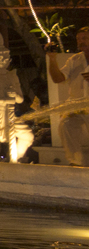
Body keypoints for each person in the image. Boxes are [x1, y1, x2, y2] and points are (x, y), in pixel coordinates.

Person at [47, 27, 89, 166]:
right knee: (66, 124)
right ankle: (75, 162)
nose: (81, 41)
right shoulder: (74, 59)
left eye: (84, 38)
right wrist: (52, 58)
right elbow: (58, 78)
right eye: (78, 39)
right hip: (76, 104)